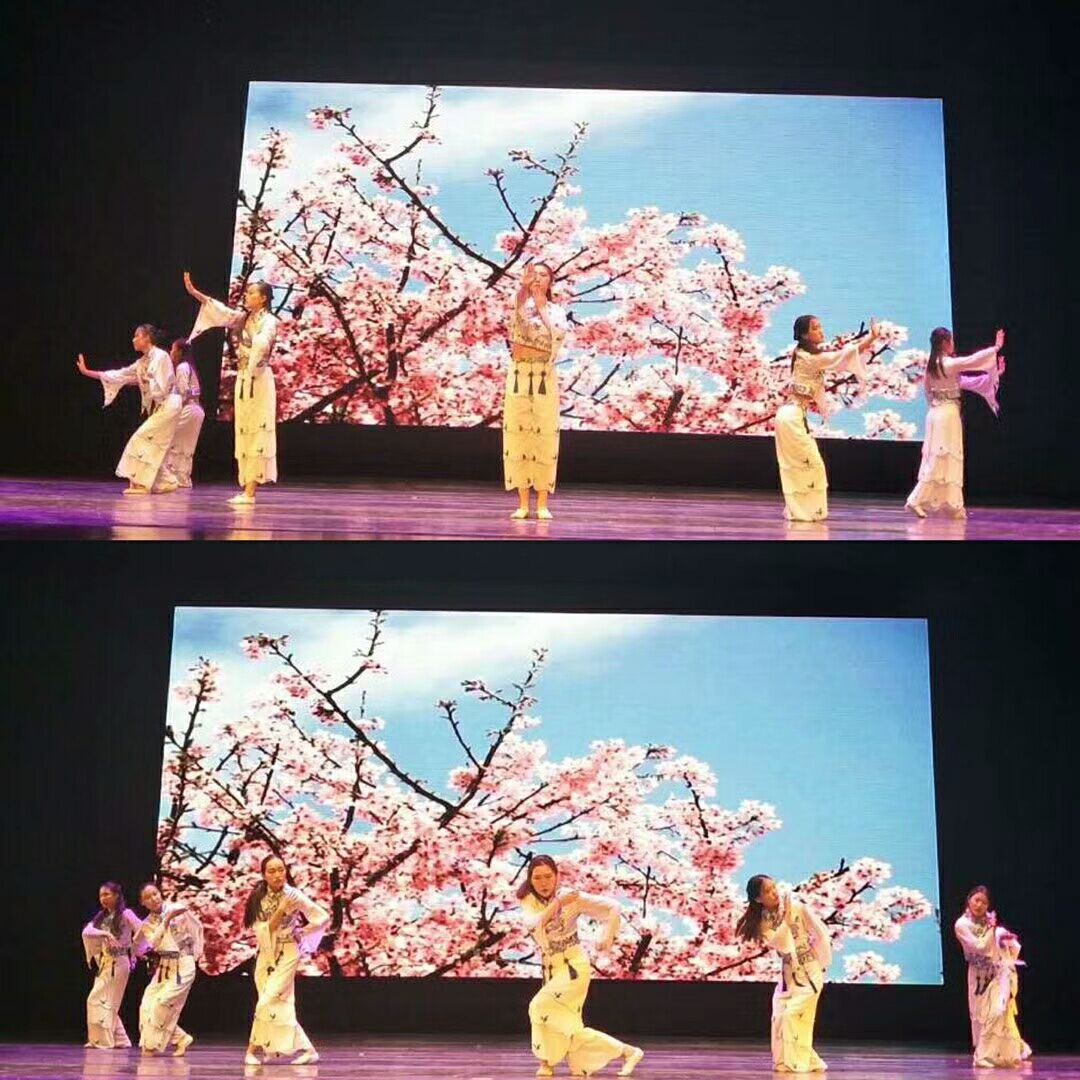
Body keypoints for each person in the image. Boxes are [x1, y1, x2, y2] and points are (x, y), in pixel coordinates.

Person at [518, 855, 643, 1077]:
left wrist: (607, 936)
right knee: (565, 1022)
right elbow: (535, 924)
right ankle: (628, 1052)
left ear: (557, 876)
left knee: (538, 1006)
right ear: (530, 879)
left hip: (573, 966)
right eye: (537, 878)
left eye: (548, 876)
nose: (543, 882)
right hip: (550, 968)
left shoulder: (572, 897)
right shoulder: (529, 901)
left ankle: (548, 1061)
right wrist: (558, 903)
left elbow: (613, 907)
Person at [774, 315, 883, 522]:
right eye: (815, 328)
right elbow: (846, 354)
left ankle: (802, 511)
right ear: (804, 335)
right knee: (811, 465)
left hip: (790, 415)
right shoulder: (811, 358)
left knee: (801, 466)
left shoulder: (801, 353)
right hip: (791, 416)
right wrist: (871, 338)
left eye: (820, 326)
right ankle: (804, 512)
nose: (821, 331)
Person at [184, 272, 278, 505]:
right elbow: (221, 312)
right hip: (245, 377)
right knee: (244, 429)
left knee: (258, 429)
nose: (247, 295)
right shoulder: (244, 318)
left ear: (263, 298)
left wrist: (254, 361)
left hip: (259, 379)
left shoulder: (270, 321)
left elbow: (263, 343)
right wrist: (196, 294)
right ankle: (247, 488)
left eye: (252, 292)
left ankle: (250, 491)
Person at [735, 874, 832, 1073]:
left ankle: (796, 1063)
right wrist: (786, 922)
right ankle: (792, 1061)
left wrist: (820, 961)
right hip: (788, 976)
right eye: (768, 891)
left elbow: (821, 933)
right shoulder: (762, 923)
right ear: (758, 899)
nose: (774, 893)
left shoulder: (797, 908)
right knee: (779, 1018)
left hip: (809, 972)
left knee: (792, 1015)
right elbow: (783, 946)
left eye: (774, 887)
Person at [905, 328, 1006, 518]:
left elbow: (965, 382)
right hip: (947, 415)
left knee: (944, 458)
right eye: (951, 340)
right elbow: (972, 361)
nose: (953, 344)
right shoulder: (948, 363)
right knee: (942, 458)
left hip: (935, 413)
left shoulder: (933, 366)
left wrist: (995, 373)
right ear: (944, 343)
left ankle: (954, 505)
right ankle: (915, 500)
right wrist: (995, 348)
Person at [242, 854, 330, 1066]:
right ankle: (308, 1050)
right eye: (271, 871)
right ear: (264, 875)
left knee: (267, 1000)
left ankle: (251, 1051)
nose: (277, 875)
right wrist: (281, 910)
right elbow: (263, 930)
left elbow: (322, 916)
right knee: (277, 1004)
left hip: (288, 951)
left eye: (281, 870)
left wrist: (303, 931)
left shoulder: (293, 895)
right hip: (265, 952)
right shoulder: (258, 896)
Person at [76, 326, 182, 494]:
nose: (133, 339)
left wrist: (147, 380)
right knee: (153, 442)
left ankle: (141, 484)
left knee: (140, 439)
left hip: (169, 404)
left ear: (147, 338)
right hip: (163, 407)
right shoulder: (141, 363)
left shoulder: (161, 356)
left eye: (137, 336)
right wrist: (87, 372)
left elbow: (161, 386)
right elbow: (120, 375)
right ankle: (166, 481)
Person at [504, 263, 568, 520]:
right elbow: (516, 326)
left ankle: (542, 503)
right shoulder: (518, 305)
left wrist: (542, 307)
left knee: (545, 435)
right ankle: (522, 503)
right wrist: (524, 292)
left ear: (551, 281)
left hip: (544, 375)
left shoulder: (557, 311)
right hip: (519, 373)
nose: (538, 279)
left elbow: (557, 338)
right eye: (534, 275)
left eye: (544, 275)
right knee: (518, 435)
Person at [954, 886, 1032, 1068]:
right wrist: (992, 930)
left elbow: (1010, 945)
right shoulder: (962, 924)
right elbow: (980, 947)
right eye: (976, 900)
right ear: (969, 900)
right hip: (979, 976)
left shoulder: (990, 923)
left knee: (998, 1012)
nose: (979, 905)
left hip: (998, 973)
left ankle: (990, 1054)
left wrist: (1004, 940)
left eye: (984, 902)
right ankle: (999, 1050)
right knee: (982, 1016)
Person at [135, 882, 203, 1056]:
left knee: (162, 1002)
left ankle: (152, 1045)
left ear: (160, 893)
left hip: (183, 964)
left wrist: (195, 954)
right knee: (147, 1004)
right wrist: (166, 920)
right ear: (143, 903)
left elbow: (196, 928)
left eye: (155, 894)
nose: (153, 899)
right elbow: (154, 942)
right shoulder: (147, 923)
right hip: (165, 967)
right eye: (148, 898)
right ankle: (180, 1038)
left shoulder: (176, 909)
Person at [81, 882, 144, 1048]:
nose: (103, 898)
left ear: (116, 895)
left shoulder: (126, 914)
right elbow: (87, 931)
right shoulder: (101, 917)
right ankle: (121, 1039)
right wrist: (106, 934)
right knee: (103, 1001)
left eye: (106, 894)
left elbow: (142, 928)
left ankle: (103, 1040)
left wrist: (134, 948)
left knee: (101, 1000)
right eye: (101, 895)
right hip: (105, 963)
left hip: (120, 963)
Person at [160, 339, 205, 489]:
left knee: (172, 440)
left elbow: (183, 392)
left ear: (179, 352)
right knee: (186, 445)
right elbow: (196, 390)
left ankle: (171, 477)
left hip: (188, 409)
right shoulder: (189, 367)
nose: (171, 352)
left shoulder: (182, 367)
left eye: (173, 349)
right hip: (196, 410)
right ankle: (182, 478)